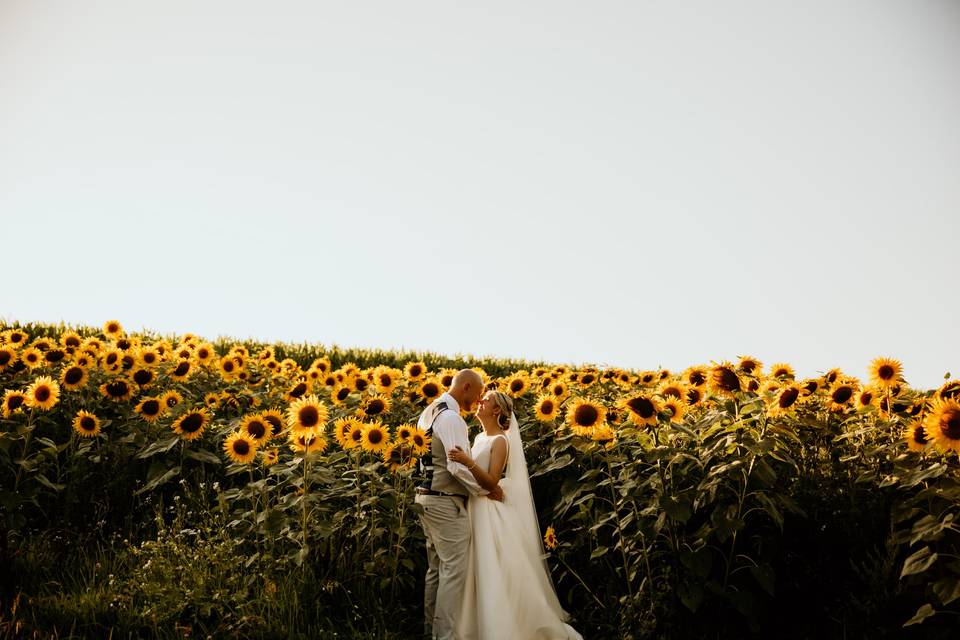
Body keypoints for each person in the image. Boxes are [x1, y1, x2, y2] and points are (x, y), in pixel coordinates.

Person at [448, 390, 583, 640]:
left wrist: (467, 462)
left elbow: (491, 482)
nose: (480, 402)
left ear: (497, 410)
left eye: (486, 400)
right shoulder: (478, 438)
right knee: (476, 565)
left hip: (489, 512)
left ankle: (501, 626)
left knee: (493, 565)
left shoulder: (500, 440)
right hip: (475, 508)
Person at [414, 369, 505, 640]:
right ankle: (445, 636)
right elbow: (456, 467)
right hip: (445, 502)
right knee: (454, 572)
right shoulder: (452, 418)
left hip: (425, 496)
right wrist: (484, 490)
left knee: (436, 570)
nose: (479, 400)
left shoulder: (430, 411)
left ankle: (430, 629)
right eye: (478, 393)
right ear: (466, 386)